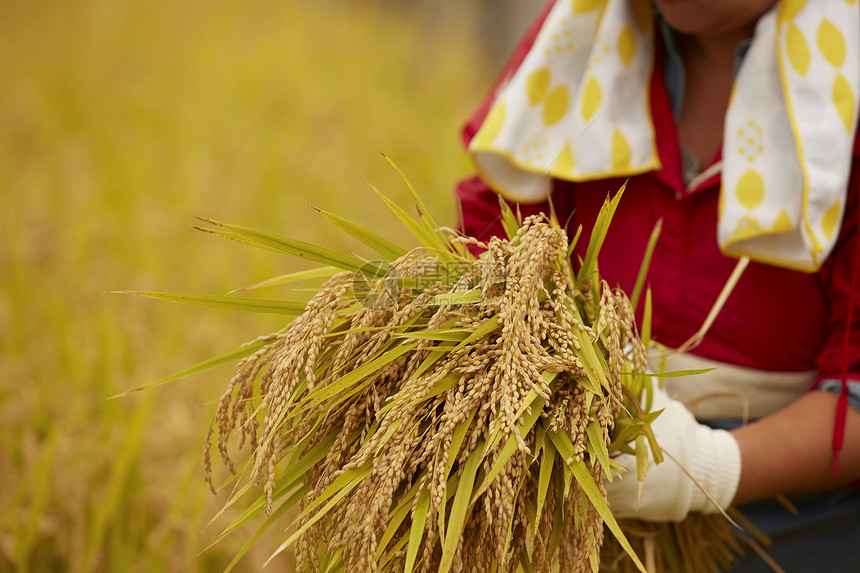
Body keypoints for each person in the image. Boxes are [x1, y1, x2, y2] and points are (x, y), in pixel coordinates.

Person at [455, 0, 860, 570]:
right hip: (587, 518)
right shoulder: (582, 34)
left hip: (799, 533)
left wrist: (708, 468)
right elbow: (500, 227)